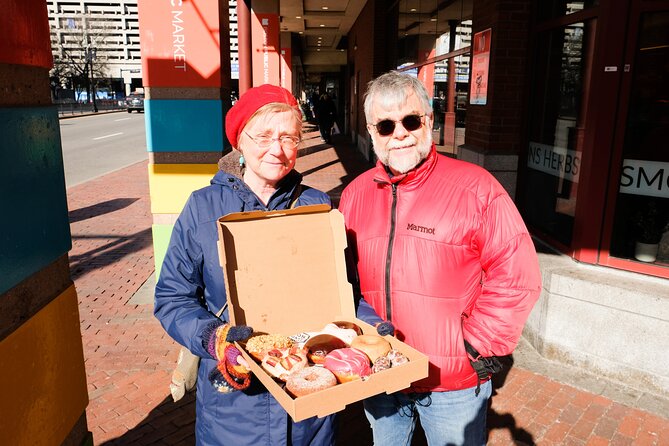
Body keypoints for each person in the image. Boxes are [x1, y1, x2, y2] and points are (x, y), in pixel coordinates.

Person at [338, 71, 542, 445]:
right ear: (371, 131)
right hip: (382, 375)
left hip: (451, 381)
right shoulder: (354, 195)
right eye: (385, 125)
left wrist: (474, 347)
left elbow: (516, 275)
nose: (399, 134)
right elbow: (342, 280)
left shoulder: (477, 187)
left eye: (410, 121)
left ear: (429, 121)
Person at [154, 84, 336, 445]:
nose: (277, 149)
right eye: (264, 136)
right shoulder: (202, 207)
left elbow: (344, 287)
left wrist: (370, 328)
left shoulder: (316, 205)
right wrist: (213, 338)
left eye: (288, 137)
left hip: (309, 399)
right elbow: (173, 297)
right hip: (234, 402)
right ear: (240, 140)